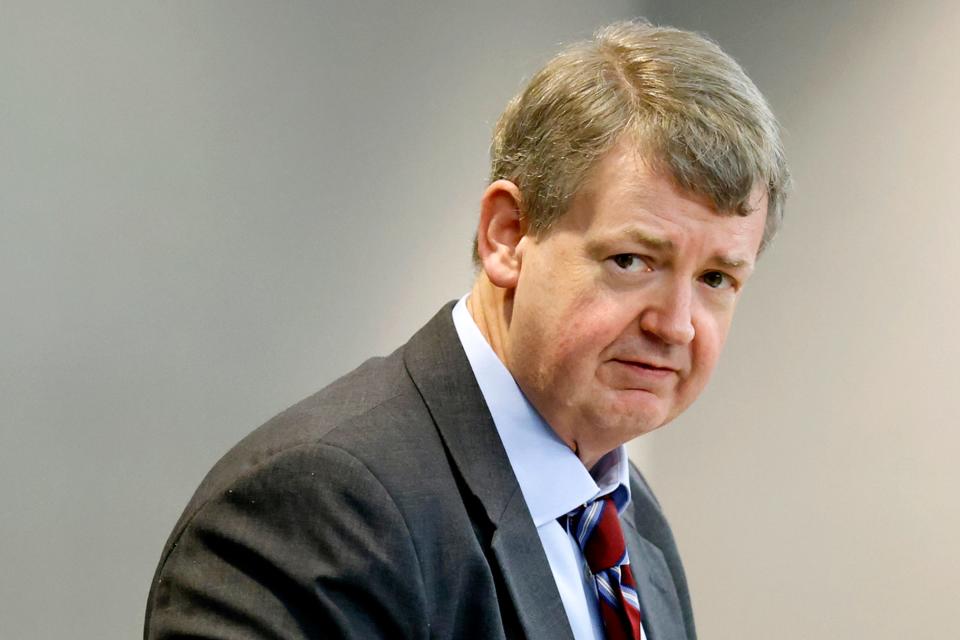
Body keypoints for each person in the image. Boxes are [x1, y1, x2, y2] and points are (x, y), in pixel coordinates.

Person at [145, 19, 789, 640]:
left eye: (716, 280)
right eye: (632, 261)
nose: (675, 326)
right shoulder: (321, 509)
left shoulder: (629, 518)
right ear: (508, 237)